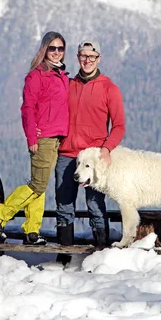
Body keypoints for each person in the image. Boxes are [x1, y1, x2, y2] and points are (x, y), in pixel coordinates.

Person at [0, 31, 69, 245]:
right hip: (43, 138)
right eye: (52, 48)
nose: (56, 52)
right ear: (44, 49)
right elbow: (27, 108)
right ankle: (0, 216)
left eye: (60, 48)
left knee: (40, 185)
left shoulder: (61, 75)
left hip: (57, 138)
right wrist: (32, 137)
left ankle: (32, 231)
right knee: (37, 185)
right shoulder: (37, 75)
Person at [55, 39, 125, 253]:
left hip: (93, 157)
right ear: (78, 58)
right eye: (83, 56)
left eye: (91, 57)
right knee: (64, 205)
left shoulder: (109, 88)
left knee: (95, 205)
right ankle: (64, 255)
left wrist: (106, 149)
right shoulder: (68, 84)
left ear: (98, 58)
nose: (87, 60)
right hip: (67, 154)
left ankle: (101, 251)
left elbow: (119, 126)